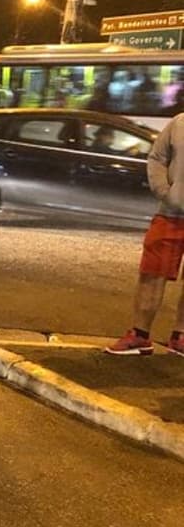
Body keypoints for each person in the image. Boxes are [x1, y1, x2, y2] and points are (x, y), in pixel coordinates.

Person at [105, 112, 184, 356]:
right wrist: (166, 192)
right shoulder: (180, 122)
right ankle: (139, 335)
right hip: (172, 212)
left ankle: (180, 337)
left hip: (172, 210)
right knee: (152, 274)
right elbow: (157, 158)